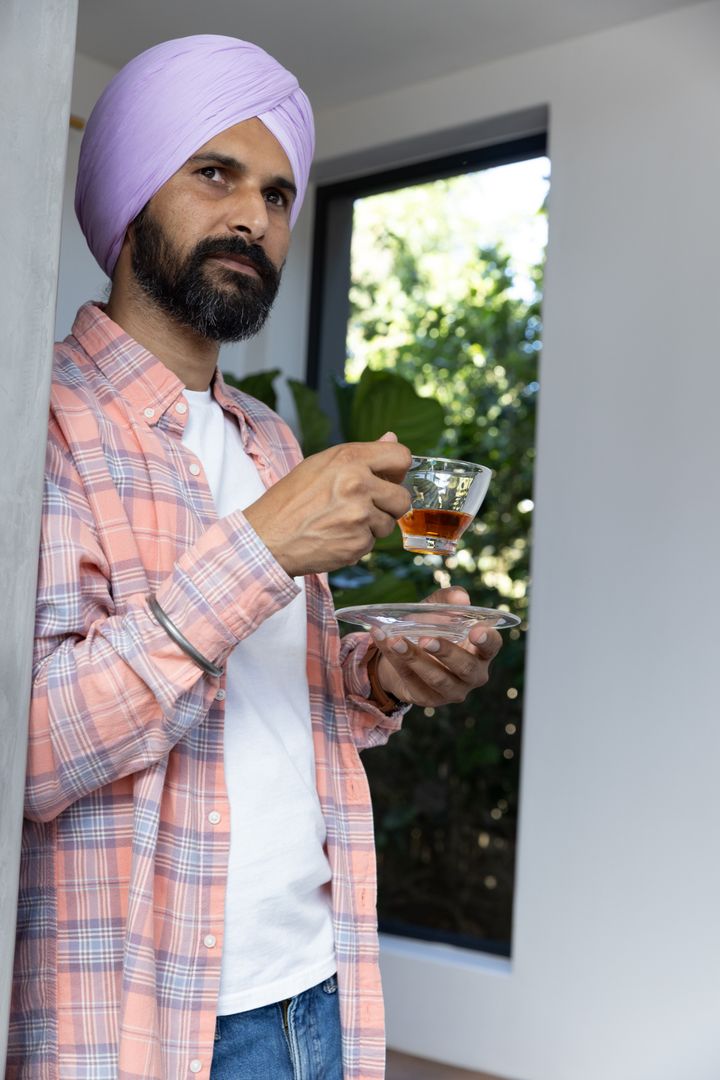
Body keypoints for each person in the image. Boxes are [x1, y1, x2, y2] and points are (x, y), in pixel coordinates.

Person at [9, 35, 502, 1080]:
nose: (253, 217)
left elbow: (283, 702)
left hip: (320, 986)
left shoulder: (269, 443)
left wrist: (385, 672)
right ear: (133, 196)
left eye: (278, 195)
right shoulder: (37, 424)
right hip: (150, 1020)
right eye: (215, 174)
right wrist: (260, 547)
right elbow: (33, 752)